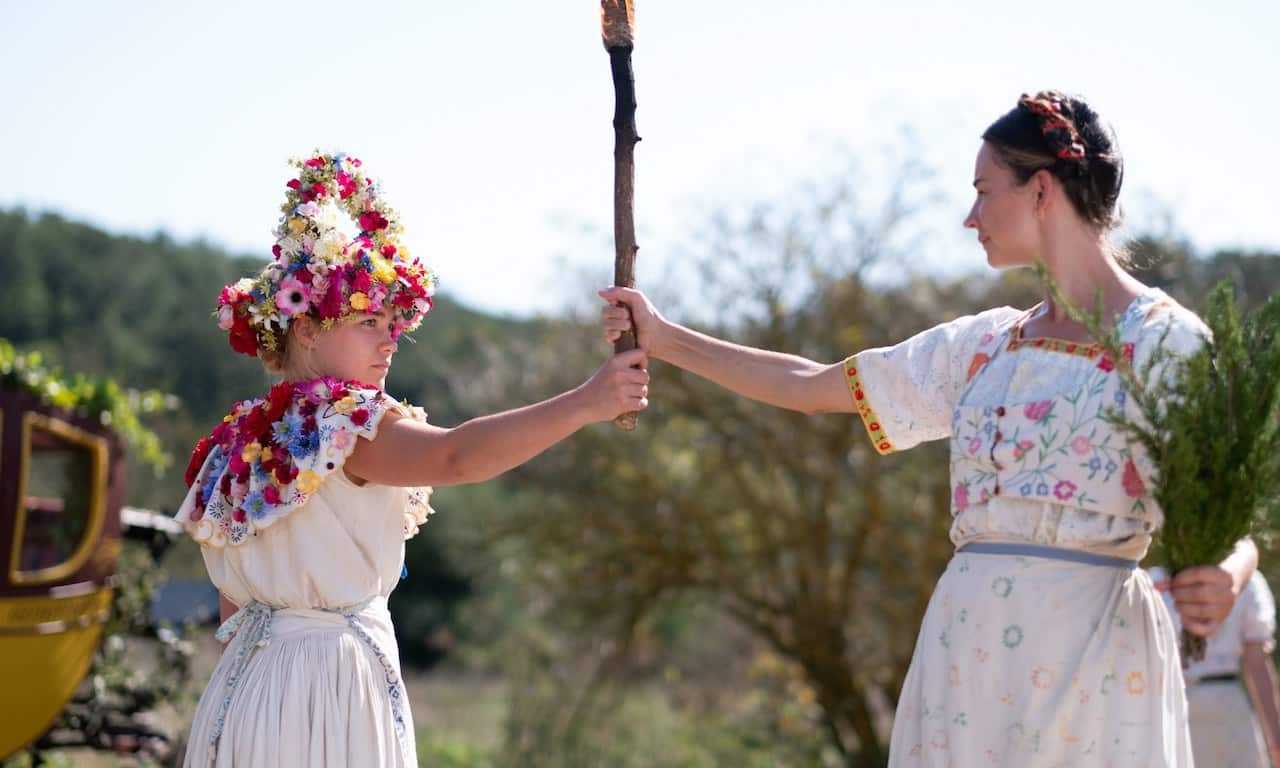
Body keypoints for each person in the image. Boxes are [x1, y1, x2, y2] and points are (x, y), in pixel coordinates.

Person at [600, 91, 1256, 766]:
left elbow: (1226, 513)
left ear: (1040, 189)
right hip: (968, 660)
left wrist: (1230, 573)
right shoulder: (985, 347)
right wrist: (665, 338)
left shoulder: (1167, 342)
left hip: (1096, 656)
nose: (970, 216)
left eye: (982, 190)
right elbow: (809, 388)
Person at [176, 151, 649, 768]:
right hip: (329, 687)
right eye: (369, 321)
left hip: (246, 690)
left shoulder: (238, 440)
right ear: (310, 330)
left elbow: (233, 609)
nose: (389, 339)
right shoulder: (345, 422)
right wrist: (589, 399)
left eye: (395, 324)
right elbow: (456, 457)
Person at [1151, 566, 1280, 767]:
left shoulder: (1245, 577)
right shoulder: (1154, 581)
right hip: (1173, 703)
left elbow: (1257, 665)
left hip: (1226, 707)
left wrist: (1276, 739)